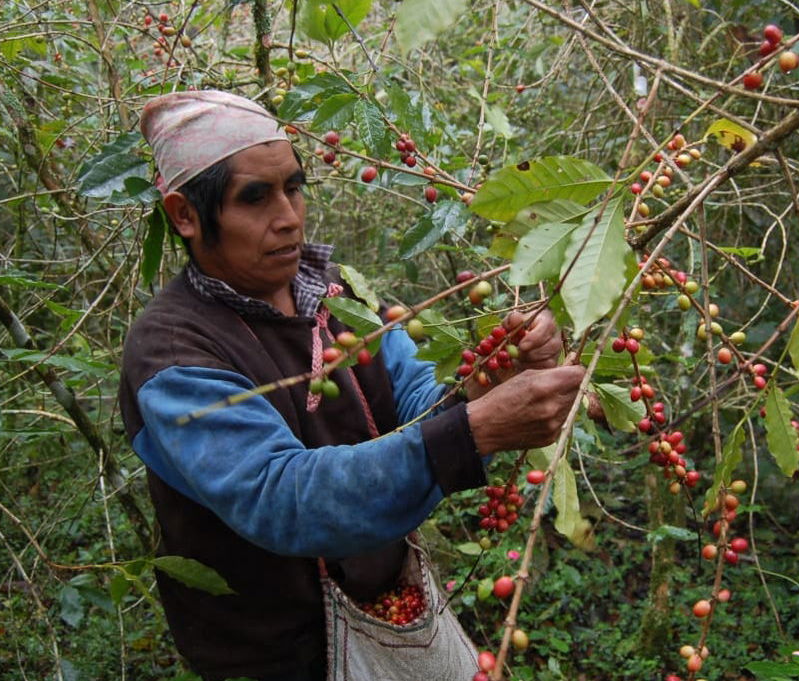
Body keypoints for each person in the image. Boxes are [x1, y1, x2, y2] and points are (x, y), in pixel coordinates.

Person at [119, 90, 586, 681]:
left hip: (389, 607)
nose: (288, 216)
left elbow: (420, 396)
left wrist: (490, 380)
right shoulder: (171, 355)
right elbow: (282, 498)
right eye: (255, 198)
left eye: (293, 187)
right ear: (185, 215)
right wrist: (476, 430)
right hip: (272, 654)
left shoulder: (337, 294)